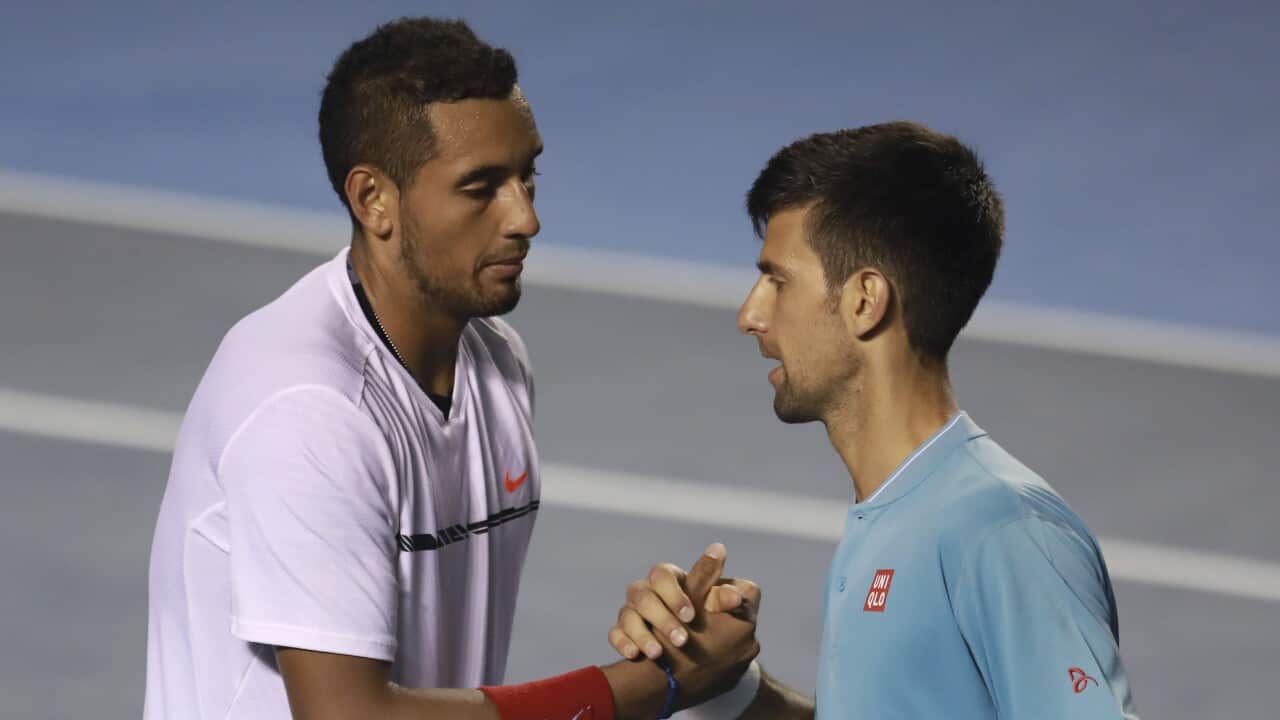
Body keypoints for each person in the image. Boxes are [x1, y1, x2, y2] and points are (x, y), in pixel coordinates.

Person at [142, 17, 757, 720]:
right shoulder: (306, 407)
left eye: (528, 176)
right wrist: (661, 684)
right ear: (374, 199)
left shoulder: (497, 363)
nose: (525, 217)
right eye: (481, 187)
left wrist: (678, 639)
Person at [608, 122, 1140, 719]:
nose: (750, 315)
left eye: (777, 280)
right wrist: (725, 686)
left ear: (865, 300)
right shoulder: (897, 517)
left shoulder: (1002, 533)